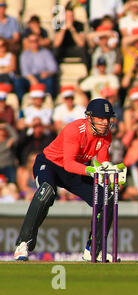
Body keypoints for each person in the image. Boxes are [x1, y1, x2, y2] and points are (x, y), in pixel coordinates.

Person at [13, 98, 126, 261]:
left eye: (107, 118)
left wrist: (111, 170)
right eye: (100, 118)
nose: (105, 122)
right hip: (51, 164)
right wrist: (91, 170)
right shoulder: (74, 130)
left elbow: (102, 161)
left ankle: (94, 249)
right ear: (90, 117)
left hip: (77, 170)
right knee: (46, 192)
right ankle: (23, 243)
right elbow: (68, 163)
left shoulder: (106, 134)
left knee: (107, 198)